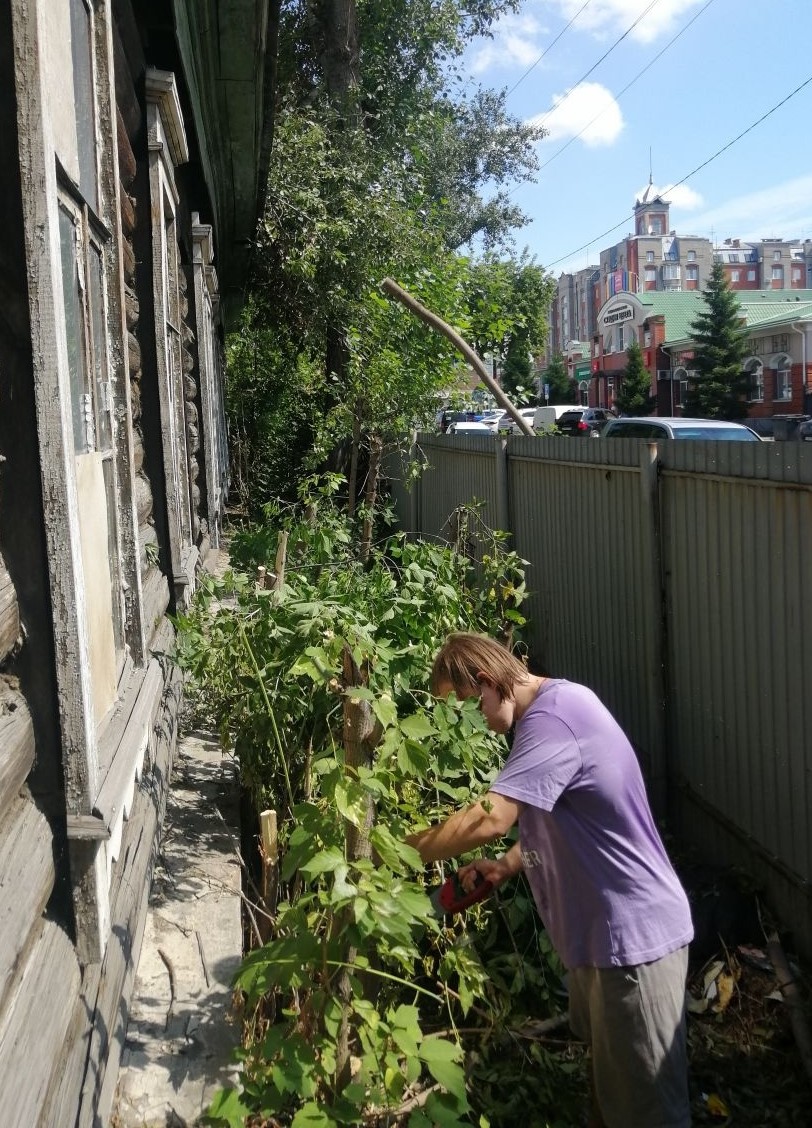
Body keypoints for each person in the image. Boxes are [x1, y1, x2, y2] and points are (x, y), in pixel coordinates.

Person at [406, 632, 694, 1128]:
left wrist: (394, 849)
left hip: (634, 946)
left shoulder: (554, 718)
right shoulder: (544, 718)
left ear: (486, 681)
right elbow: (568, 817)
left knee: (648, 1114)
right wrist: (507, 865)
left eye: (466, 707)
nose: (468, 722)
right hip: (600, 944)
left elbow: (491, 819)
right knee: (612, 1092)